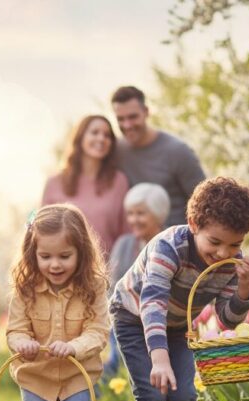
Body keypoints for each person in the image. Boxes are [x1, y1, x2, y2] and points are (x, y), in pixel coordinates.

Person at [110, 177, 249, 401]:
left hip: (177, 327)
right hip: (134, 319)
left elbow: (227, 319)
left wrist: (244, 289)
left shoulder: (231, 264)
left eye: (235, 244)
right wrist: (160, 359)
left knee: (185, 399)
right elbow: (152, 303)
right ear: (193, 224)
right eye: (215, 242)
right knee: (151, 396)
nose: (223, 253)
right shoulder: (169, 248)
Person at [6, 204, 110, 401]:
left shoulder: (93, 287)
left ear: (81, 253)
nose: (54, 264)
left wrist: (74, 346)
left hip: (78, 376)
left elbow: (98, 331)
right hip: (37, 376)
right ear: (32, 253)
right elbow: (14, 331)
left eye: (64, 256)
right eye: (45, 256)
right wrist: (22, 343)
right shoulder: (25, 290)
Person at [111, 86, 206, 227]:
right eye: (121, 119)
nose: (127, 125)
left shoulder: (177, 151)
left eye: (133, 117)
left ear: (146, 112)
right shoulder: (118, 151)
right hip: (139, 243)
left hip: (177, 242)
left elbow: (206, 202)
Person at [104, 183, 171, 377]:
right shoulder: (124, 244)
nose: (134, 220)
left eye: (141, 213)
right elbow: (111, 287)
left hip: (162, 323)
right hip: (125, 319)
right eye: (130, 213)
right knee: (116, 364)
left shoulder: (170, 243)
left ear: (158, 214)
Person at [42, 115, 129, 259]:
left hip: (107, 272)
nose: (101, 139)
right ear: (80, 137)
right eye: (94, 132)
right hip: (63, 270)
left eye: (107, 135)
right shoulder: (54, 182)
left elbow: (126, 234)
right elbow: (37, 225)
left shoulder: (119, 181)